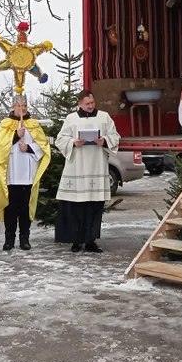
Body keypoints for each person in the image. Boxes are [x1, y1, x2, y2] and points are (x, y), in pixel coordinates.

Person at [54, 90, 120, 253]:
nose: (90, 106)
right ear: (80, 104)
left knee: (94, 206)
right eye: (87, 104)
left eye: (92, 103)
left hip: (96, 166)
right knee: (76, 207)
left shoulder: (104, 117)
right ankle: (76, 241)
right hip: (77, 167)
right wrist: (74, 142)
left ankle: (91, 241)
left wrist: (104, 141)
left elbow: (115, 136)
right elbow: (60, 139)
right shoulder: (71, 119)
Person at [0, 94, 51, 252]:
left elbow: (43, 146)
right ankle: (9, 238)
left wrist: (29, 148)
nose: (22, 108)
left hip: (27, 172)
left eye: (25, 105)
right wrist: (15, 137)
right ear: (13, 107)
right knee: (10, 209)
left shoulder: (33, 124)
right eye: (19, 105)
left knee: (25, 208)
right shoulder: (5, 124)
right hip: (11, 173)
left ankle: (25, 238)